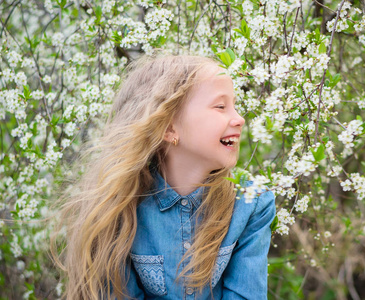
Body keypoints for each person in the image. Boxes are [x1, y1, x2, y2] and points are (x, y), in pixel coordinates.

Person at [54, 54, 276, 299]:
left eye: (234, 105)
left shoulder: (251, 202)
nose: (239, 119)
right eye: (220, 106)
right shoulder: (121, 206)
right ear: (170, 128)